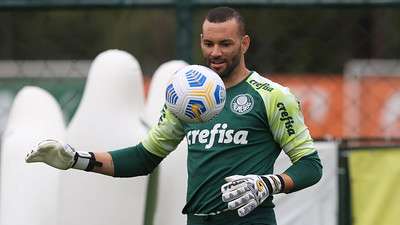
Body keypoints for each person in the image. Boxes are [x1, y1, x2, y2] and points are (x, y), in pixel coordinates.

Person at [26, 6, 322, 225]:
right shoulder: (185, 95)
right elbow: (144, 158)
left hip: (249, 221)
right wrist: (76, 159)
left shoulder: (272, 96)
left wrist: (268, 183)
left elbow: (310, 165)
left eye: (225, 44)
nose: (215, 52)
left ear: (244, 44)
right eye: (209, 44)